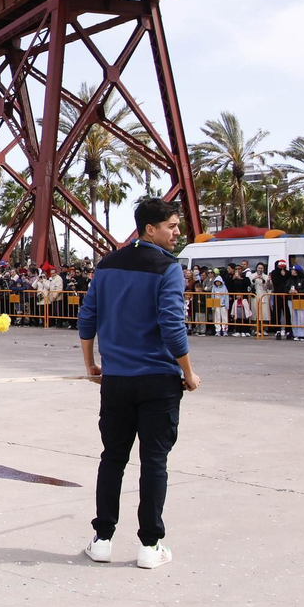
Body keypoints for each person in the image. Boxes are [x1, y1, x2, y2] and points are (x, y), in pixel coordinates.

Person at [79, 197, 200, 570]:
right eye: (172, 226)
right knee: (154, 462)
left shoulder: (107, 265)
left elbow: (88, 317)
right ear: (151, 229)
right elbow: (171, 325)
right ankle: (150, 545)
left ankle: (102, 539)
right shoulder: (168, 268)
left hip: (116, 381)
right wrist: (188, 372)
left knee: (112, 458)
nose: (177, 233)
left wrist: (91, 364)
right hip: (158, 381)